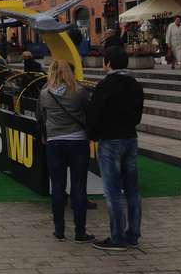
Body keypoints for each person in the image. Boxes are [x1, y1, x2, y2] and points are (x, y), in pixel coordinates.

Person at [87, 46, 144, 251]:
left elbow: (95, 114)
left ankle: (117, 237)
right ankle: (133, 234)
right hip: (130, 138)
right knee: (132, 189)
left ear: (108, 63)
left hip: (110, 140)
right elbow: (138, 115)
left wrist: (92, 135)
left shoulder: (105, 85)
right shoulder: (135, 85)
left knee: (112, 190)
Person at [36, 60, 95, 243]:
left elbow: (40, 117)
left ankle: (59, 230)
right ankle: (80, 231)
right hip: (78, 141)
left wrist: (46, 136)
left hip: (54, 142)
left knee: (58, 186)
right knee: (78, 186)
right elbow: (89, 112)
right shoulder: (78, 92)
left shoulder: (45, 94)